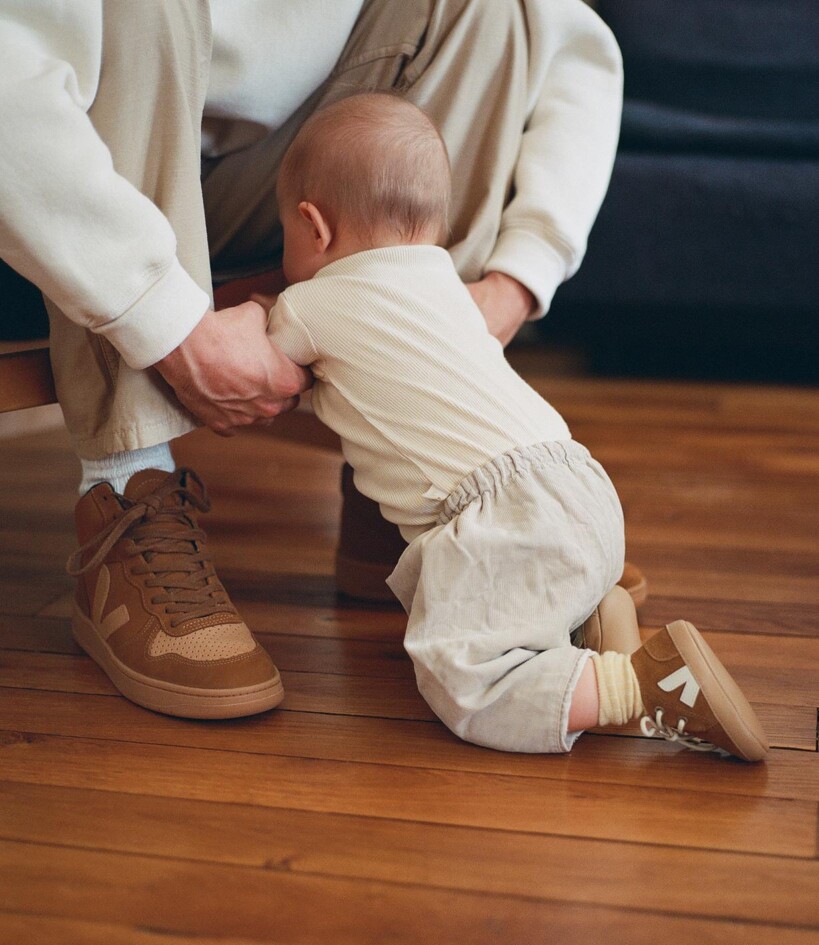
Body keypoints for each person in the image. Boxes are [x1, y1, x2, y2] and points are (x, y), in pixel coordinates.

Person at [0, 1, 628, 717]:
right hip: (58, 159)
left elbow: (569, 44)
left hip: (265, 173)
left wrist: (517, 281)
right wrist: (164, 319)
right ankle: (127, 487)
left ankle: (412, 506)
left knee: (493, 10)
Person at [264, 91, 769, 760]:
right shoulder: (449, 284)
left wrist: (253, 312)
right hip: (579, 481)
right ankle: (595, 614)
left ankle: (641, 688)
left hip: (501, 518)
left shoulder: (308, 306)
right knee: (519, 592)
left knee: (465, 676)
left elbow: (254, 367)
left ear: (314, 227)